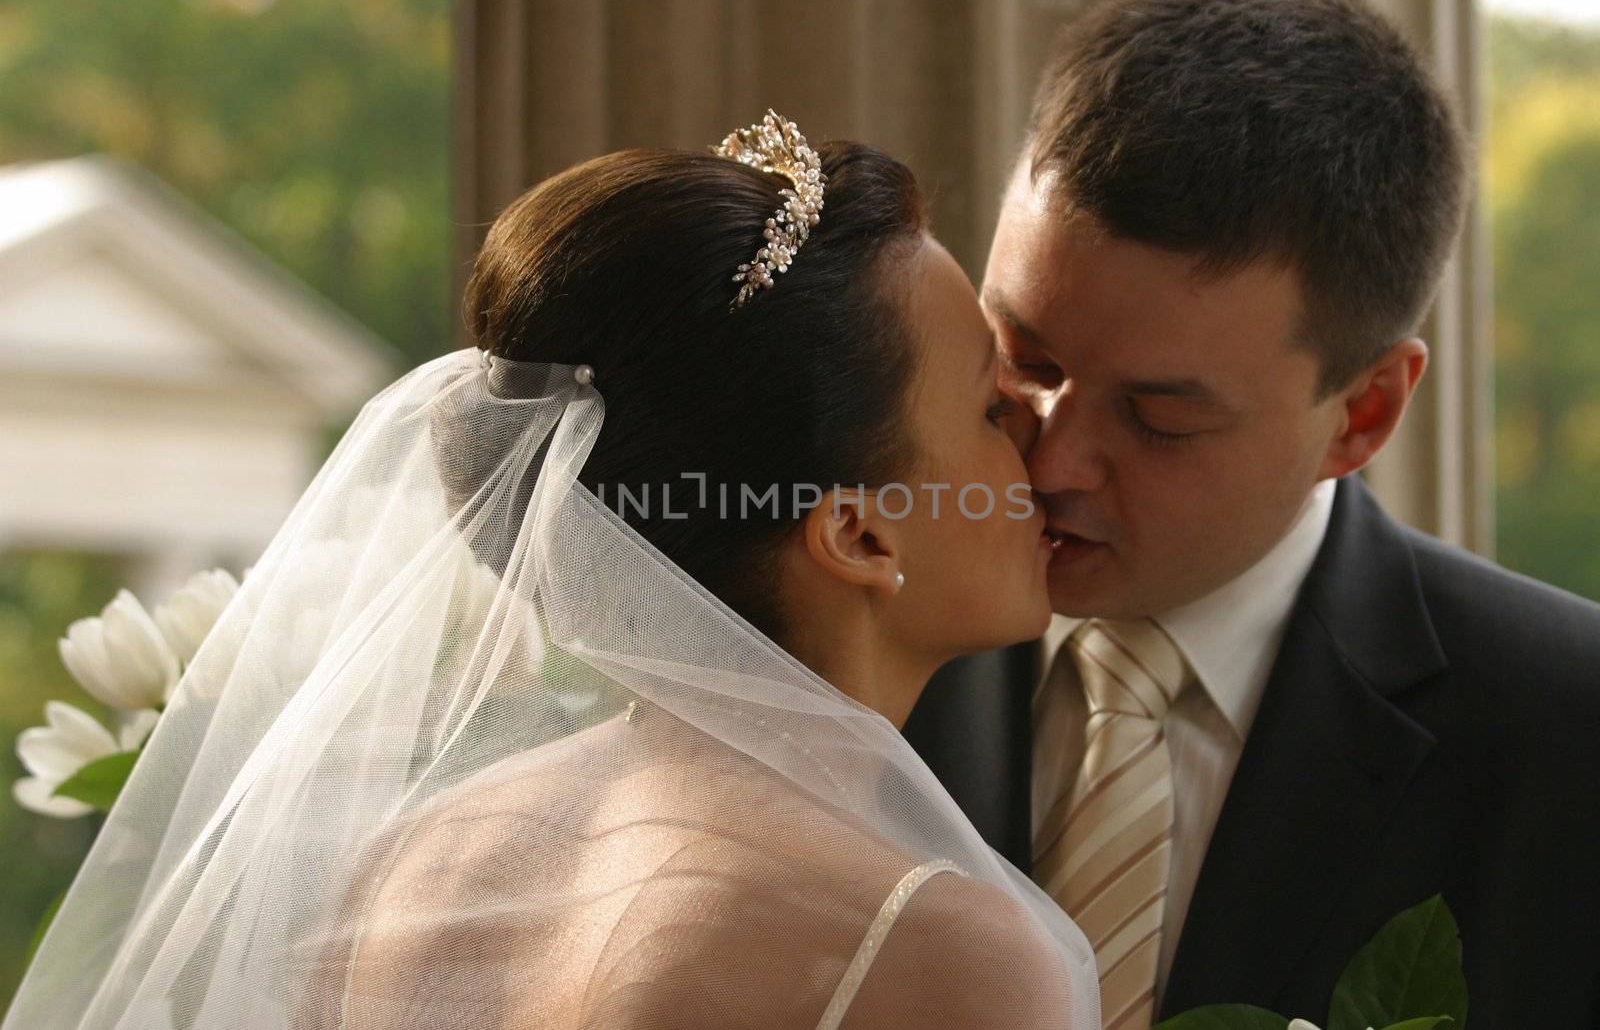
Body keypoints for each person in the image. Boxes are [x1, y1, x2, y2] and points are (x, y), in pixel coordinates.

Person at [2, 114, 1099, 1029]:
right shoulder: (938, 948)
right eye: (993, 410)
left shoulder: (427, 854)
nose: (1046, 451)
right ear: (859, 535)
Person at [951, 0, 1600, 1027]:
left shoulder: (1570, 748)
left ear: (1363, 415)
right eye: (1023, 355)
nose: (1053, 459)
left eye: (1158, 417)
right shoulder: (823, 619)